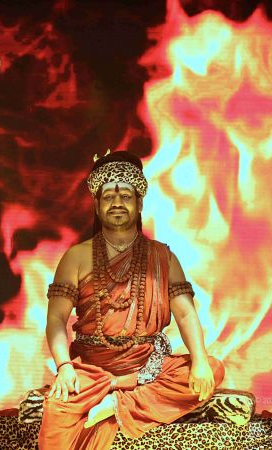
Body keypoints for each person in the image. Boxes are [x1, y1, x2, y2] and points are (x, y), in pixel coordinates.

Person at [38, 151, 225, 449]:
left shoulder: (163, 257)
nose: (117, 203)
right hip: (92, 370)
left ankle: (115, 404)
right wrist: (64, 366)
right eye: (108, 197)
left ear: (139, 204)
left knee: (212, 369)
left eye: (125, 196)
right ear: (97, 206)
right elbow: (56, 319)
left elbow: (186, 314)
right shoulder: (76, 257)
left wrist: (200, 360)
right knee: (57, 413)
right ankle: (115, 393)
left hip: (148, 368)